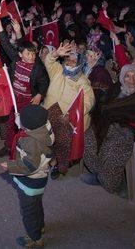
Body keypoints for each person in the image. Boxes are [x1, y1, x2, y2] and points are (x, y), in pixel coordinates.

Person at [82, 64, 135, 195]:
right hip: (105, 124)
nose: (132, 80)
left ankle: (112, 183)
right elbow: (103, 105)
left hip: (127, 128)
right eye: (127, 76)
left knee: (113, 148)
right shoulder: (115, 88)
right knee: (87, 140)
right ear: (122, 77)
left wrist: (112, 111)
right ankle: (100, 173)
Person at [1, 104, 54, 248]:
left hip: (31, 181)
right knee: (36, 205)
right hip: (40, 179)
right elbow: (28, 125)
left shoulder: (31, 142)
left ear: (28, 126)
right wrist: (21, 119)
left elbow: (30, 166)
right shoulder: (43, 128)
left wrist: (10, 166)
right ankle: (40, 226)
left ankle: (34, 237)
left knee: (29, 210)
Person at [0, 18, 49, 158]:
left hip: (29, 101)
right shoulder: (16, 59)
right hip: (14, 98)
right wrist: (0, 28)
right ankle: (8, 146)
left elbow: (45, 81)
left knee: (25, 126)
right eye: (28, 54)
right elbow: (6, 45)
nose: (31, 56)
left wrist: (39, 95)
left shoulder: (38, 67)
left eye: (33, 53)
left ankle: (24, 150)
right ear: (20, 55)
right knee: (11, 122)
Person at [43, 40, 95, 178]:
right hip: (50, 109)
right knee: (39, 127)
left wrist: (71, 115)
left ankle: (58, 163)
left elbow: (89, 102)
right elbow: (49, 62)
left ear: (79, 63)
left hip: (69, 116)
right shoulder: (58, 71)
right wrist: (55, 54)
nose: (70, 61)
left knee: (62, 134)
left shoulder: (83, 80)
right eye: (68, 58)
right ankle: (44, 156)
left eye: (74, 59)